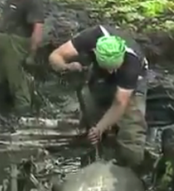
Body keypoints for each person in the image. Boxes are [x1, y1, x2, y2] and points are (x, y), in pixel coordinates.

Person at [48, 25, 149, 170]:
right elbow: (55, 56)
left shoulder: (131, 64)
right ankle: (101, 150)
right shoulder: (91, 37)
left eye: (114, 67)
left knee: (131, 130)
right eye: (108, 67)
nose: (111, 70)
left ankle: (132, 169)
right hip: (100, 77)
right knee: (94, 110)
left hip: (132, 84)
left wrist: (100, 128)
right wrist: (67, 67)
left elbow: (120, 102)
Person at [0, 0, 44, 114]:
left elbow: (38, 28)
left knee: (17, 82)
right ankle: (1, 112)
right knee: (1, 79)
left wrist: (32, 54)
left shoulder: (32, 0)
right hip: (4, 42)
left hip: (16, 45)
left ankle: (23, 115)